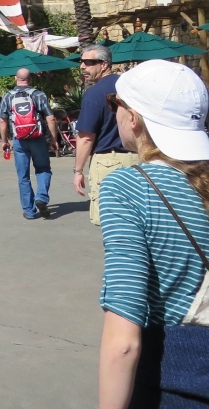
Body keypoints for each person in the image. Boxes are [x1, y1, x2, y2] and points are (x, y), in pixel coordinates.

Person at [97, 60, 209, 408]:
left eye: (115, 103)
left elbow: (123, 340)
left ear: (133, 117)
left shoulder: (128, 187)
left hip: (176, 379)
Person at [72, 44, 136, 227]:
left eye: (88, 62)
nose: (82, 66)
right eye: (81, 62)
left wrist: (78, 171)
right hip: (138, 159)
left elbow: (86, 137)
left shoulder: (95, 93)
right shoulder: (130, 87)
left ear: (104, 64)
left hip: (108, 162)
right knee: (135, 219)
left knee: (111, 222)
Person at [0, 69, 59, 220]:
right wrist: (54, 139)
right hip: (38, 138)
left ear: (15, 78)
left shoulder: (8, 96)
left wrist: (4, 141)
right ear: (30, 79)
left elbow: (2, 121)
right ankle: (41, 197)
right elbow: (50, 118)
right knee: (43, 169)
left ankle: (29, 211)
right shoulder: (39, 95)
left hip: (19, 140)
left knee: (23, 176)